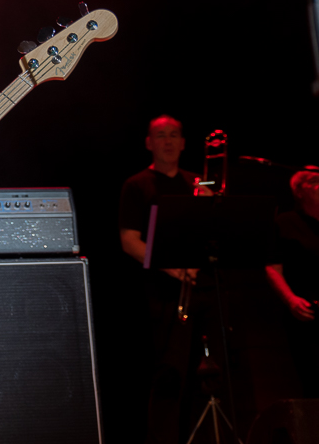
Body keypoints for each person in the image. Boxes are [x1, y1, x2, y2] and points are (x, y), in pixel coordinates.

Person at [117, 115, 213, 444]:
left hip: (202, 289)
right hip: (161, 295)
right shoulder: (137, 184)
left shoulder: (198, 184)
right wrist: (173, 267)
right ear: (149, 143)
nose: (168, 141)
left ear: (184, 143)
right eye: (161, 135)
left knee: (205, 374)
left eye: (174, 135)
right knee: (168, 376)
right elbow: (129, 241)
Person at [266, 169, 319, 398]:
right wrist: (291, 300)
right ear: (299, 192)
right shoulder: (286, 222)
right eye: (314, 181)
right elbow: (272, 267)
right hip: (307, 313)